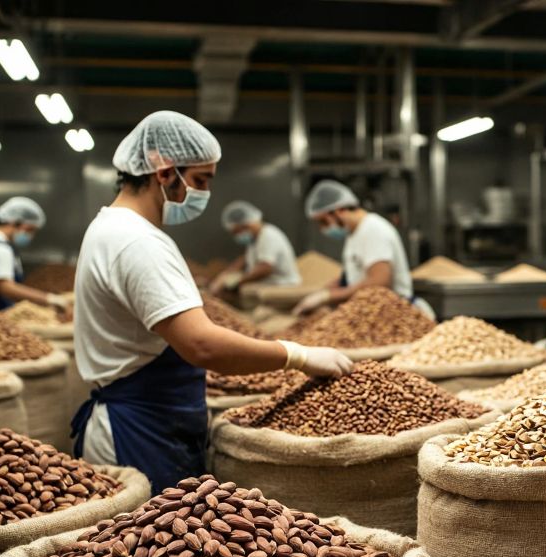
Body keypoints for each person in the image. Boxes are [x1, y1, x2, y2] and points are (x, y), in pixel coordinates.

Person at [70, 110, 353, 491]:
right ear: (164, 172)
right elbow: (201, 343)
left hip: (148, 419)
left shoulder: (111, 227)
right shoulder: (136, 241)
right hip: (138, 432)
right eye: (200, 180)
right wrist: (297, 355)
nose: (204, 194)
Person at [291, 179, 415, 315]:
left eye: (323, 221)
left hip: (393, 313)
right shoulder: (354, 234)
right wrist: (324, 291)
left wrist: (329, 297)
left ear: (338, 211)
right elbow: (351, 277)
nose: (322, 228)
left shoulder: (373, 229)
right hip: (370, 310)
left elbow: (380, 281)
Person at [0, 197, 68, 312]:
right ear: (14, 222)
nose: (31, 236)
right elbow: (6, 288)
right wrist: (48, 299)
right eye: (29, 229)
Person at [208, 201, 302, 298]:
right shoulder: (255, 240)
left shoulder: (268, 236)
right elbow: (245, 259)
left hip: (283, 286)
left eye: (237, 232)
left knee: (241, 293)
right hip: (272, 284)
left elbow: (265, 268)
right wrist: (227, 273)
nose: (237, 236)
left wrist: (236, 281)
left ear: (246, 225)